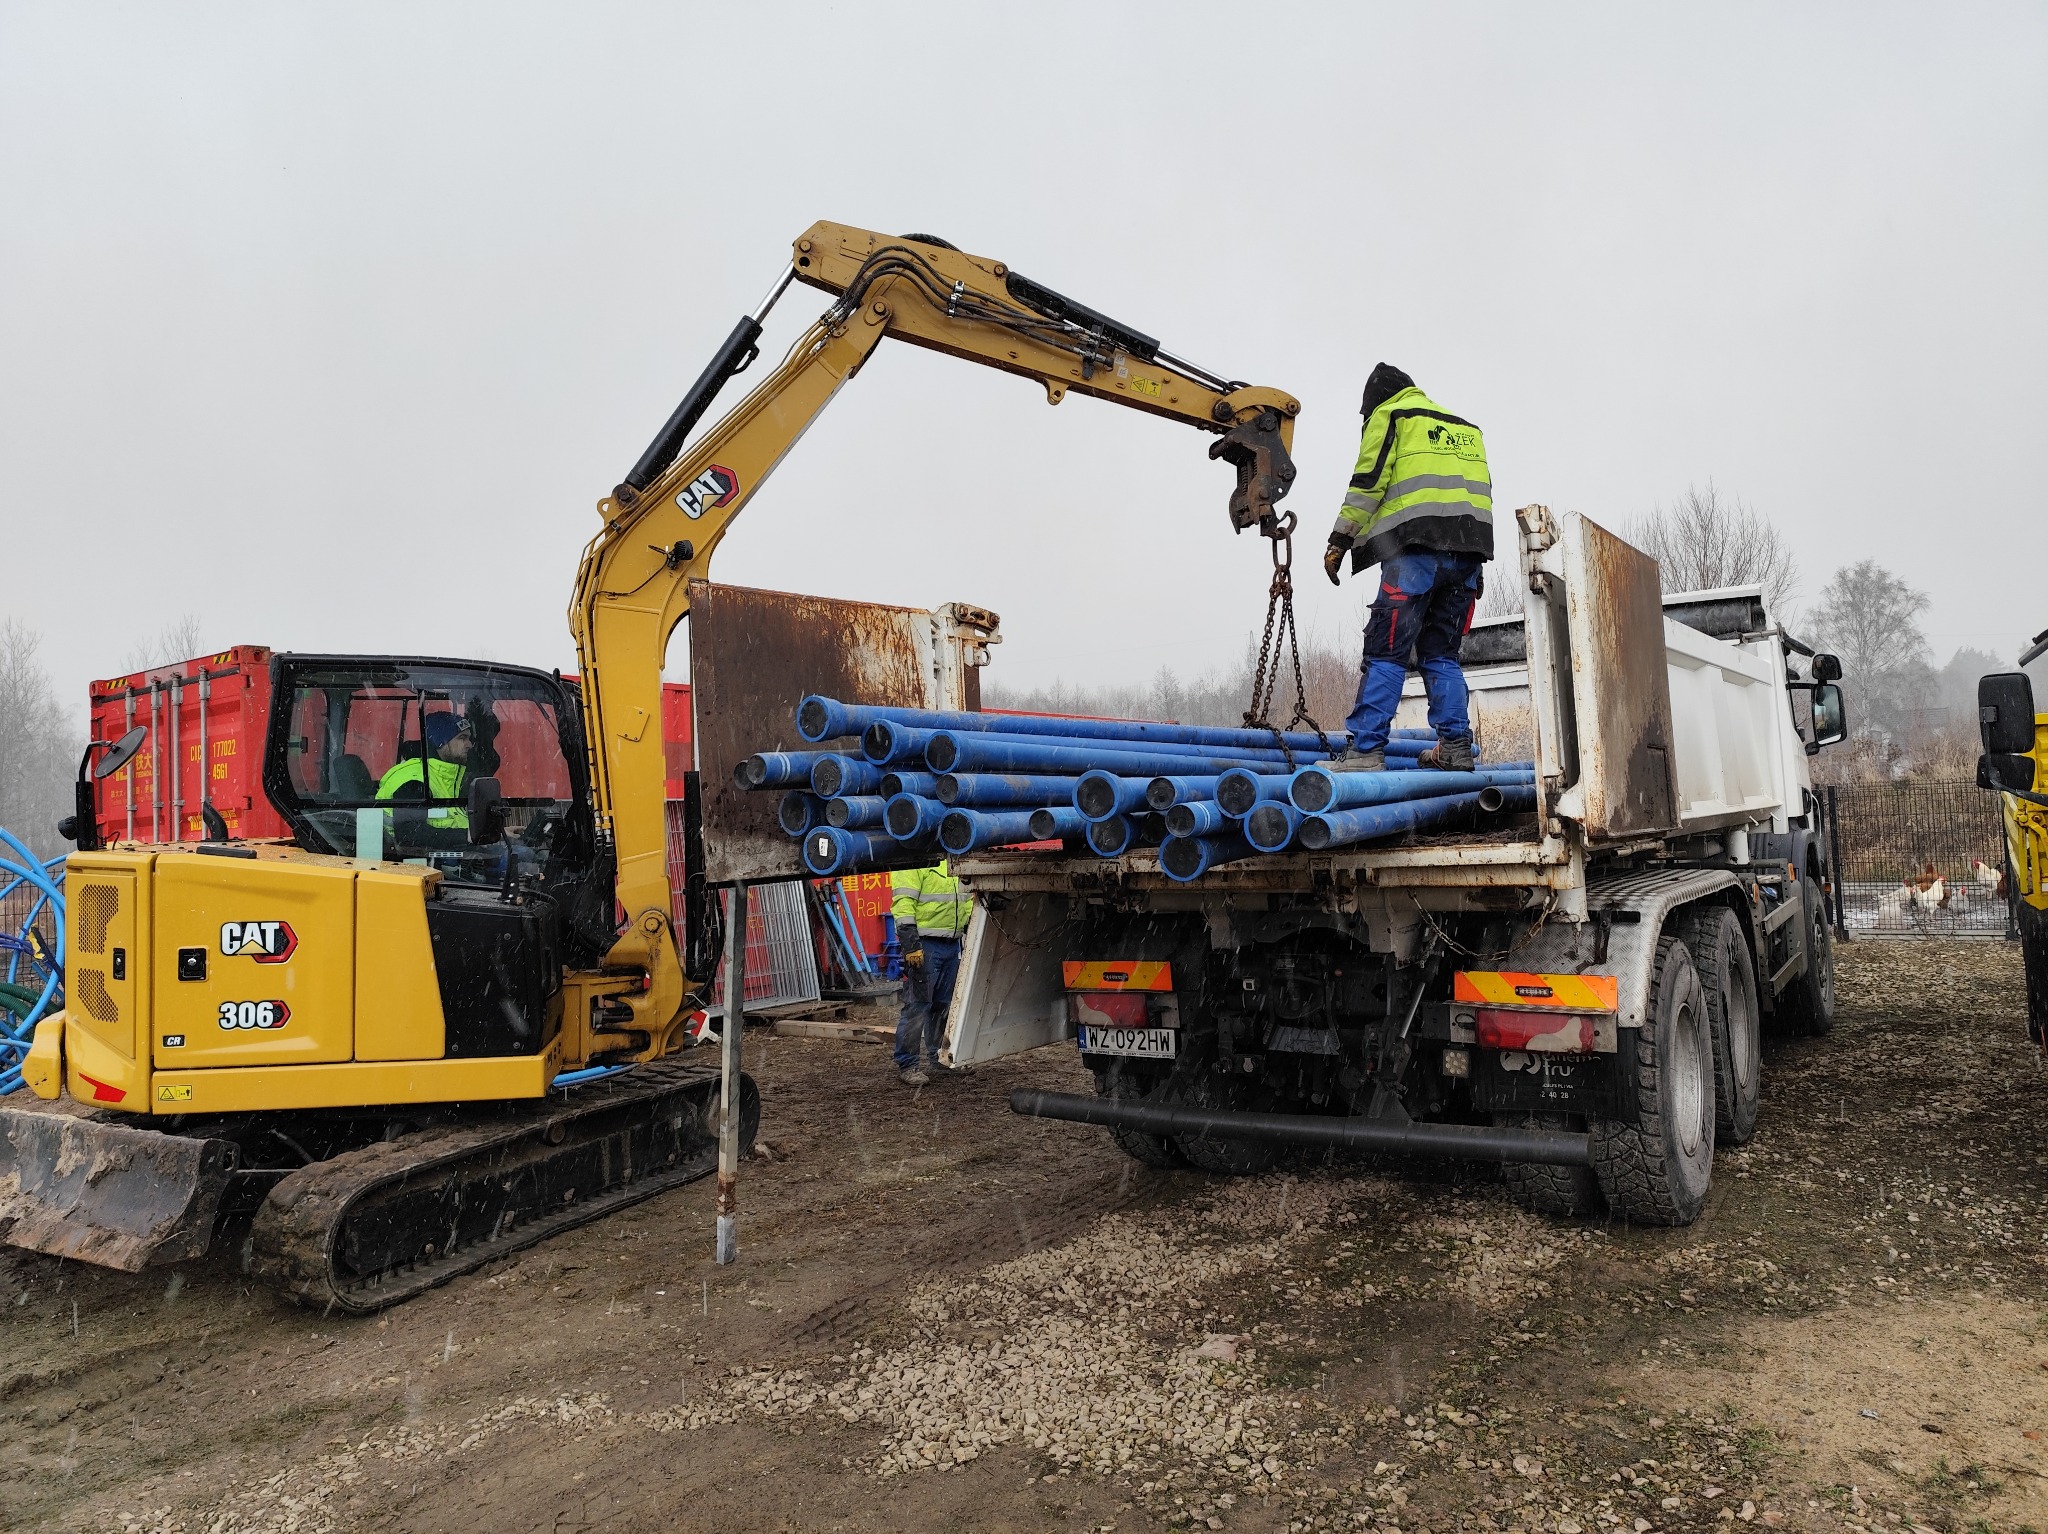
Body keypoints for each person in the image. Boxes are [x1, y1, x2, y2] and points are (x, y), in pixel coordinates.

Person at [1322, 363, 1494, 773]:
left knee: (1387, 652)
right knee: (1442, 654)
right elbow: (1478, 497)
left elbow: (1369, 482)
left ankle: (1365, 751)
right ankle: (1454, 747)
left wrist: (1340, 539)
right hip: (1468, 560)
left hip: (1415, 555)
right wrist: (1476, 567)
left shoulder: (1392, 415)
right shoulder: (1465, 429)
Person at [890, 859, 972, 1086]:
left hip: (951, 944)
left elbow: (966, 902)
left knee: (943, 1005)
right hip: (925, 945)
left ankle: (939, 1059)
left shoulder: (954, 862)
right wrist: (911, 944)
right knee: (917, 1006)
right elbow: (903, 903)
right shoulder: (915, 862)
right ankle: (908, 1064)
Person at [375, 712, 474, 829]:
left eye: (469, 738)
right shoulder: (414, 780)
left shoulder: (443, 775)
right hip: (418, 847)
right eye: (462, 738)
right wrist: (467, 837)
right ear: (441, 742)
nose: (469, 745)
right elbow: (409, 837)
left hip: (451, 847)